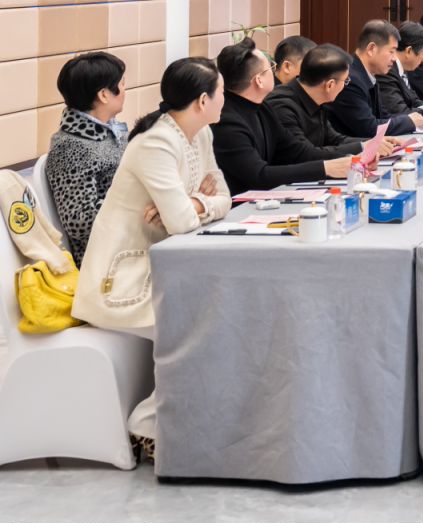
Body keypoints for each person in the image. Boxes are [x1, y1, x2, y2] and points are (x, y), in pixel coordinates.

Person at [72, 57, 232, 461]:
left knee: (218, 308)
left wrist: (196, 203)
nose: (224, 100)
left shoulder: (200, 135)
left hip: (165, 264)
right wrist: (197, 204)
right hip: (121, 278)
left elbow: (224, 197)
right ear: (202, 100)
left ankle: (162, 423)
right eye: (221, 93)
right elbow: (181, 222)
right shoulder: (155, 143)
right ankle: (147, 423)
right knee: (201, 321)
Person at [213, 38, 351, 192]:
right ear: (259, 80)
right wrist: (325, 168)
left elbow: (297, 151)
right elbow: (259, 175)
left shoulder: (263, 108)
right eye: (271, 68)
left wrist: (350, 159)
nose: (275, 73)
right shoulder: (227, 122)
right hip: (239, 204)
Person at [43, 52, 128, 265]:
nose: (125, 91)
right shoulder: (70, 148)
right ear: (104, 95)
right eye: (122, 84)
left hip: (130, 241)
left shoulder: (111, 131)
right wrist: (137, 204)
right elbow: (79, 222)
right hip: (106, 261)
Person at [328, 20, 423, 138]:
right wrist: (409, 121)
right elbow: (369, 128)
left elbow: (383, 116)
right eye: (391, 51)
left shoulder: (367, 74)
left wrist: (411, 118)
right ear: (371, 49)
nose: (394, 58)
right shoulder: (350, 79)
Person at [264, 44, 364, 160]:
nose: (345, 85)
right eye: (345, 80)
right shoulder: (282, 106)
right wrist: (363, 147)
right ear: (330, 85)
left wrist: (373, 143)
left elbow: (335, 139)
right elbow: (306, 154)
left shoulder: (315, 99)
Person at [380, 21, 423, 117]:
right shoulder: (387, 71)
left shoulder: (403, 69)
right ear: (409, 51)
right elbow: (398, 111)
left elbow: (414, 101)